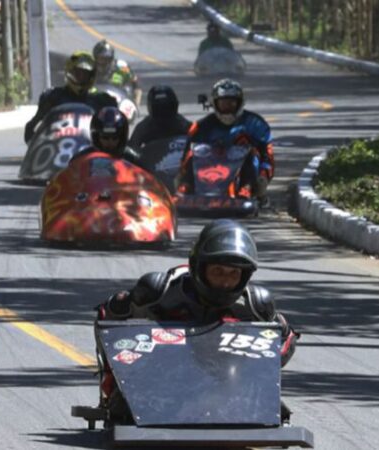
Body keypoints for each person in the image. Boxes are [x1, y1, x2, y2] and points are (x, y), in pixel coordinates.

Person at [98, 219, 297, 366]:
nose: (226, 281)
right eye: (218, 271)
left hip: (230, 385)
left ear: (244, 276)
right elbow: (108, 318)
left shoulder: (256, 306)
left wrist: (262, 366)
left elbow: (285, 339)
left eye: (233, 273)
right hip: (157, 379)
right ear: (199, 268)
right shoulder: (158, 291)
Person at [176, 78, 274, 204]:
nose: (227, 108)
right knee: (195, 151)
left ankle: (246, 188)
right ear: (215, 104)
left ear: (240, 103)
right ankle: (186, 187)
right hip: (209, 172)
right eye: (223, 104)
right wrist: (183, 177)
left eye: (231, 103)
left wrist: (263, 177)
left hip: (244, 175)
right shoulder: (202, 126)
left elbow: (268, 156)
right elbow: (187, 155)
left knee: (252, 152)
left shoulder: (256, 124)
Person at [23, 51, 117, 144]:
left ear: (91, 76)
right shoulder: (52, 97)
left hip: (89, 149)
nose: (81, 77)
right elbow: (32, 128)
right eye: (78, 74)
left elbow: (114, 132)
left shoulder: (101, 101)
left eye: (85, 74)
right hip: (58, 148)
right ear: (69, 72)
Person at [70, 106, 145, 169]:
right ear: (96, 137)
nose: (110, 142)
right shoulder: (82, 159)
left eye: (115, 138)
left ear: (122, 137)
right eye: (105, 138)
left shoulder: (134, 159)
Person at [127, 85, 192, 150]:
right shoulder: (144, 126)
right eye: (159, 108)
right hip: (152, 159)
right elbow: (131, 149)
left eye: (166, 107)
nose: (163, 111)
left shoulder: (183, 124)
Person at [92, 40, 142, 105]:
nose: (102, 62)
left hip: (118, 105)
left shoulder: (122, 68)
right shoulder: (89, 68)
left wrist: (136, 104)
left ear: (111, 58)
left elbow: (137, 87)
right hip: (95, 103)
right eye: (100, 58)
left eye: (105, 58)